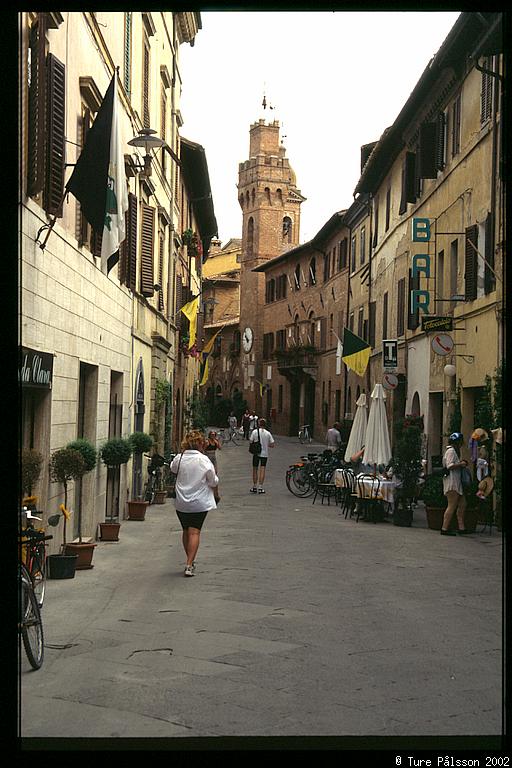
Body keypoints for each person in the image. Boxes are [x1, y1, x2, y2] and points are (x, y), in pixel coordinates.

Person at [170, 430, 219, 576]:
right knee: (195, 531)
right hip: (199, 502)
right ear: (200, 443)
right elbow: (213, 481)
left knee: (186, 530)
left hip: (181, 502)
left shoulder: (179, 458)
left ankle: (189, 561)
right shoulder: (204, 460)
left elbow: (173, 469)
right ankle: (189, 564)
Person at [441, 432, 469, 536]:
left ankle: (461, 527)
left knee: (462, 504)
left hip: (456, 483)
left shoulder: (453, 451)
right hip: (452, 483)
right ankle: (444, 528)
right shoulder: (451, 451)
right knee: (451, 506)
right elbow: (450, 465)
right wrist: (461, 464)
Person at [249, 417, 274, 494]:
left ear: (259, 424)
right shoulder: (268, 433)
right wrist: (266, 444)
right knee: (262, 469)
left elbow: (251, 441)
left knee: (255, 469)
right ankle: (260, 487)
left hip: (256, 453)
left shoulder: (255, 432)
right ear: (265, 425)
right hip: (264, 454)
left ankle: (254, 486)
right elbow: (272, 444)